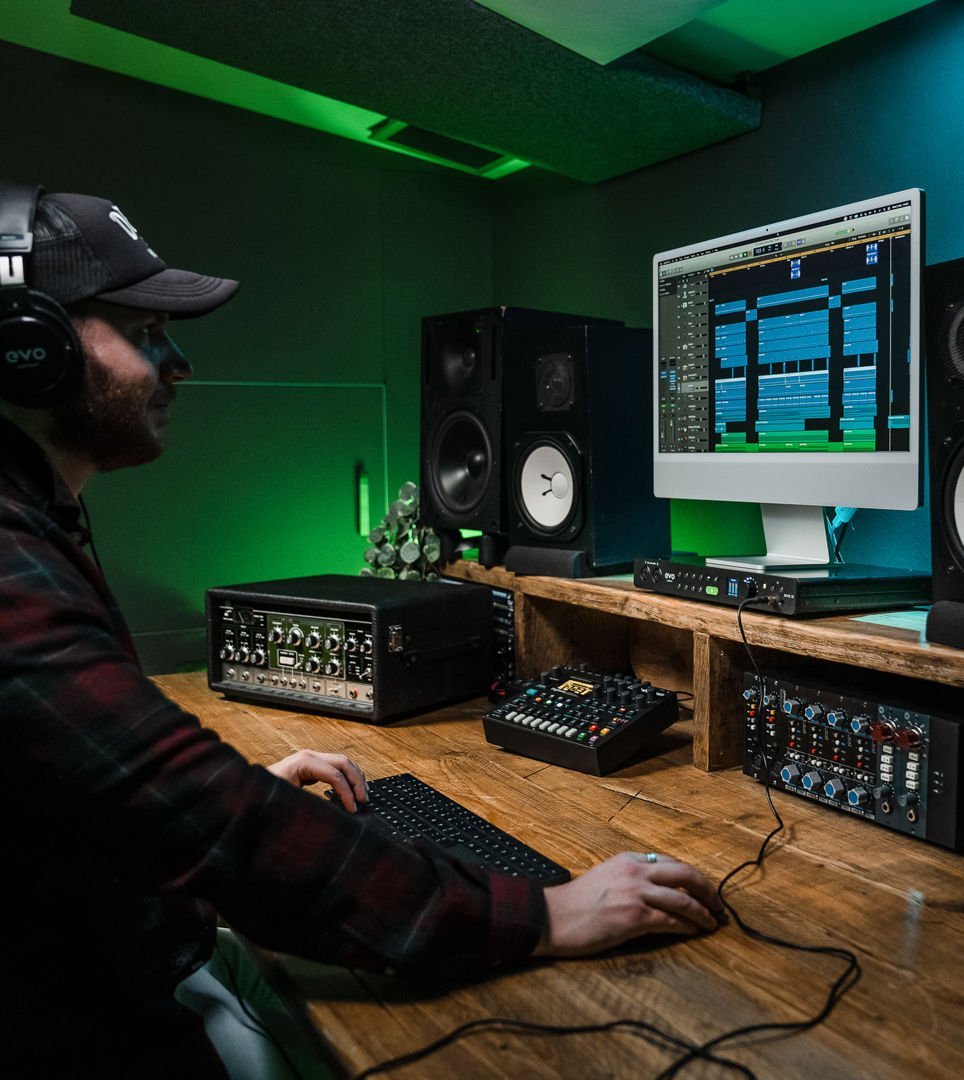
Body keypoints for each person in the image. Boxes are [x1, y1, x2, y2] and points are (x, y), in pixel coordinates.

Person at [0, 184, 726, 1078]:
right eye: (146, 332)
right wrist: (548, 914)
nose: (178, 362)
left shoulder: (38, 519)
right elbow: (209, 817)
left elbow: (100, 795)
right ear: (29, 347)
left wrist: (219, 800)